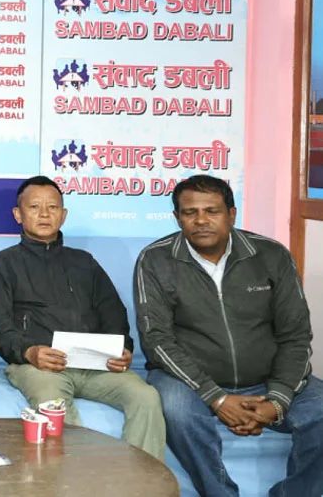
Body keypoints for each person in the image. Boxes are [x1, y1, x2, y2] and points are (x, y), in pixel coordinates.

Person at [136, 174, 323, 497]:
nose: (201, 220)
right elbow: (157, 340)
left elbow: (295, 336)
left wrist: (277, 401)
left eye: (212, 211)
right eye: (190, 212)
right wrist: (217, 398)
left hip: (266, 378)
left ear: (231, 214)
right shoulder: (156, 259)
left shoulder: (270, 255)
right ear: (177, 217)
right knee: (177, 412)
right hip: (190, 382)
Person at [0, 176, 164, 459]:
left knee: (146, 397)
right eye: (34, 207)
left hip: (95, 365)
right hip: (39, 367)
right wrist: (29, 352)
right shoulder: (3, 265)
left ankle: (142, 479)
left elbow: (113, 313)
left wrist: (122, 349)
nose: (44, 214)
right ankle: (71, 479)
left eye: (52, 207)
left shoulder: (84, 263)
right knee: (52, 403)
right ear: (18, 215)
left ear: (63, 214)